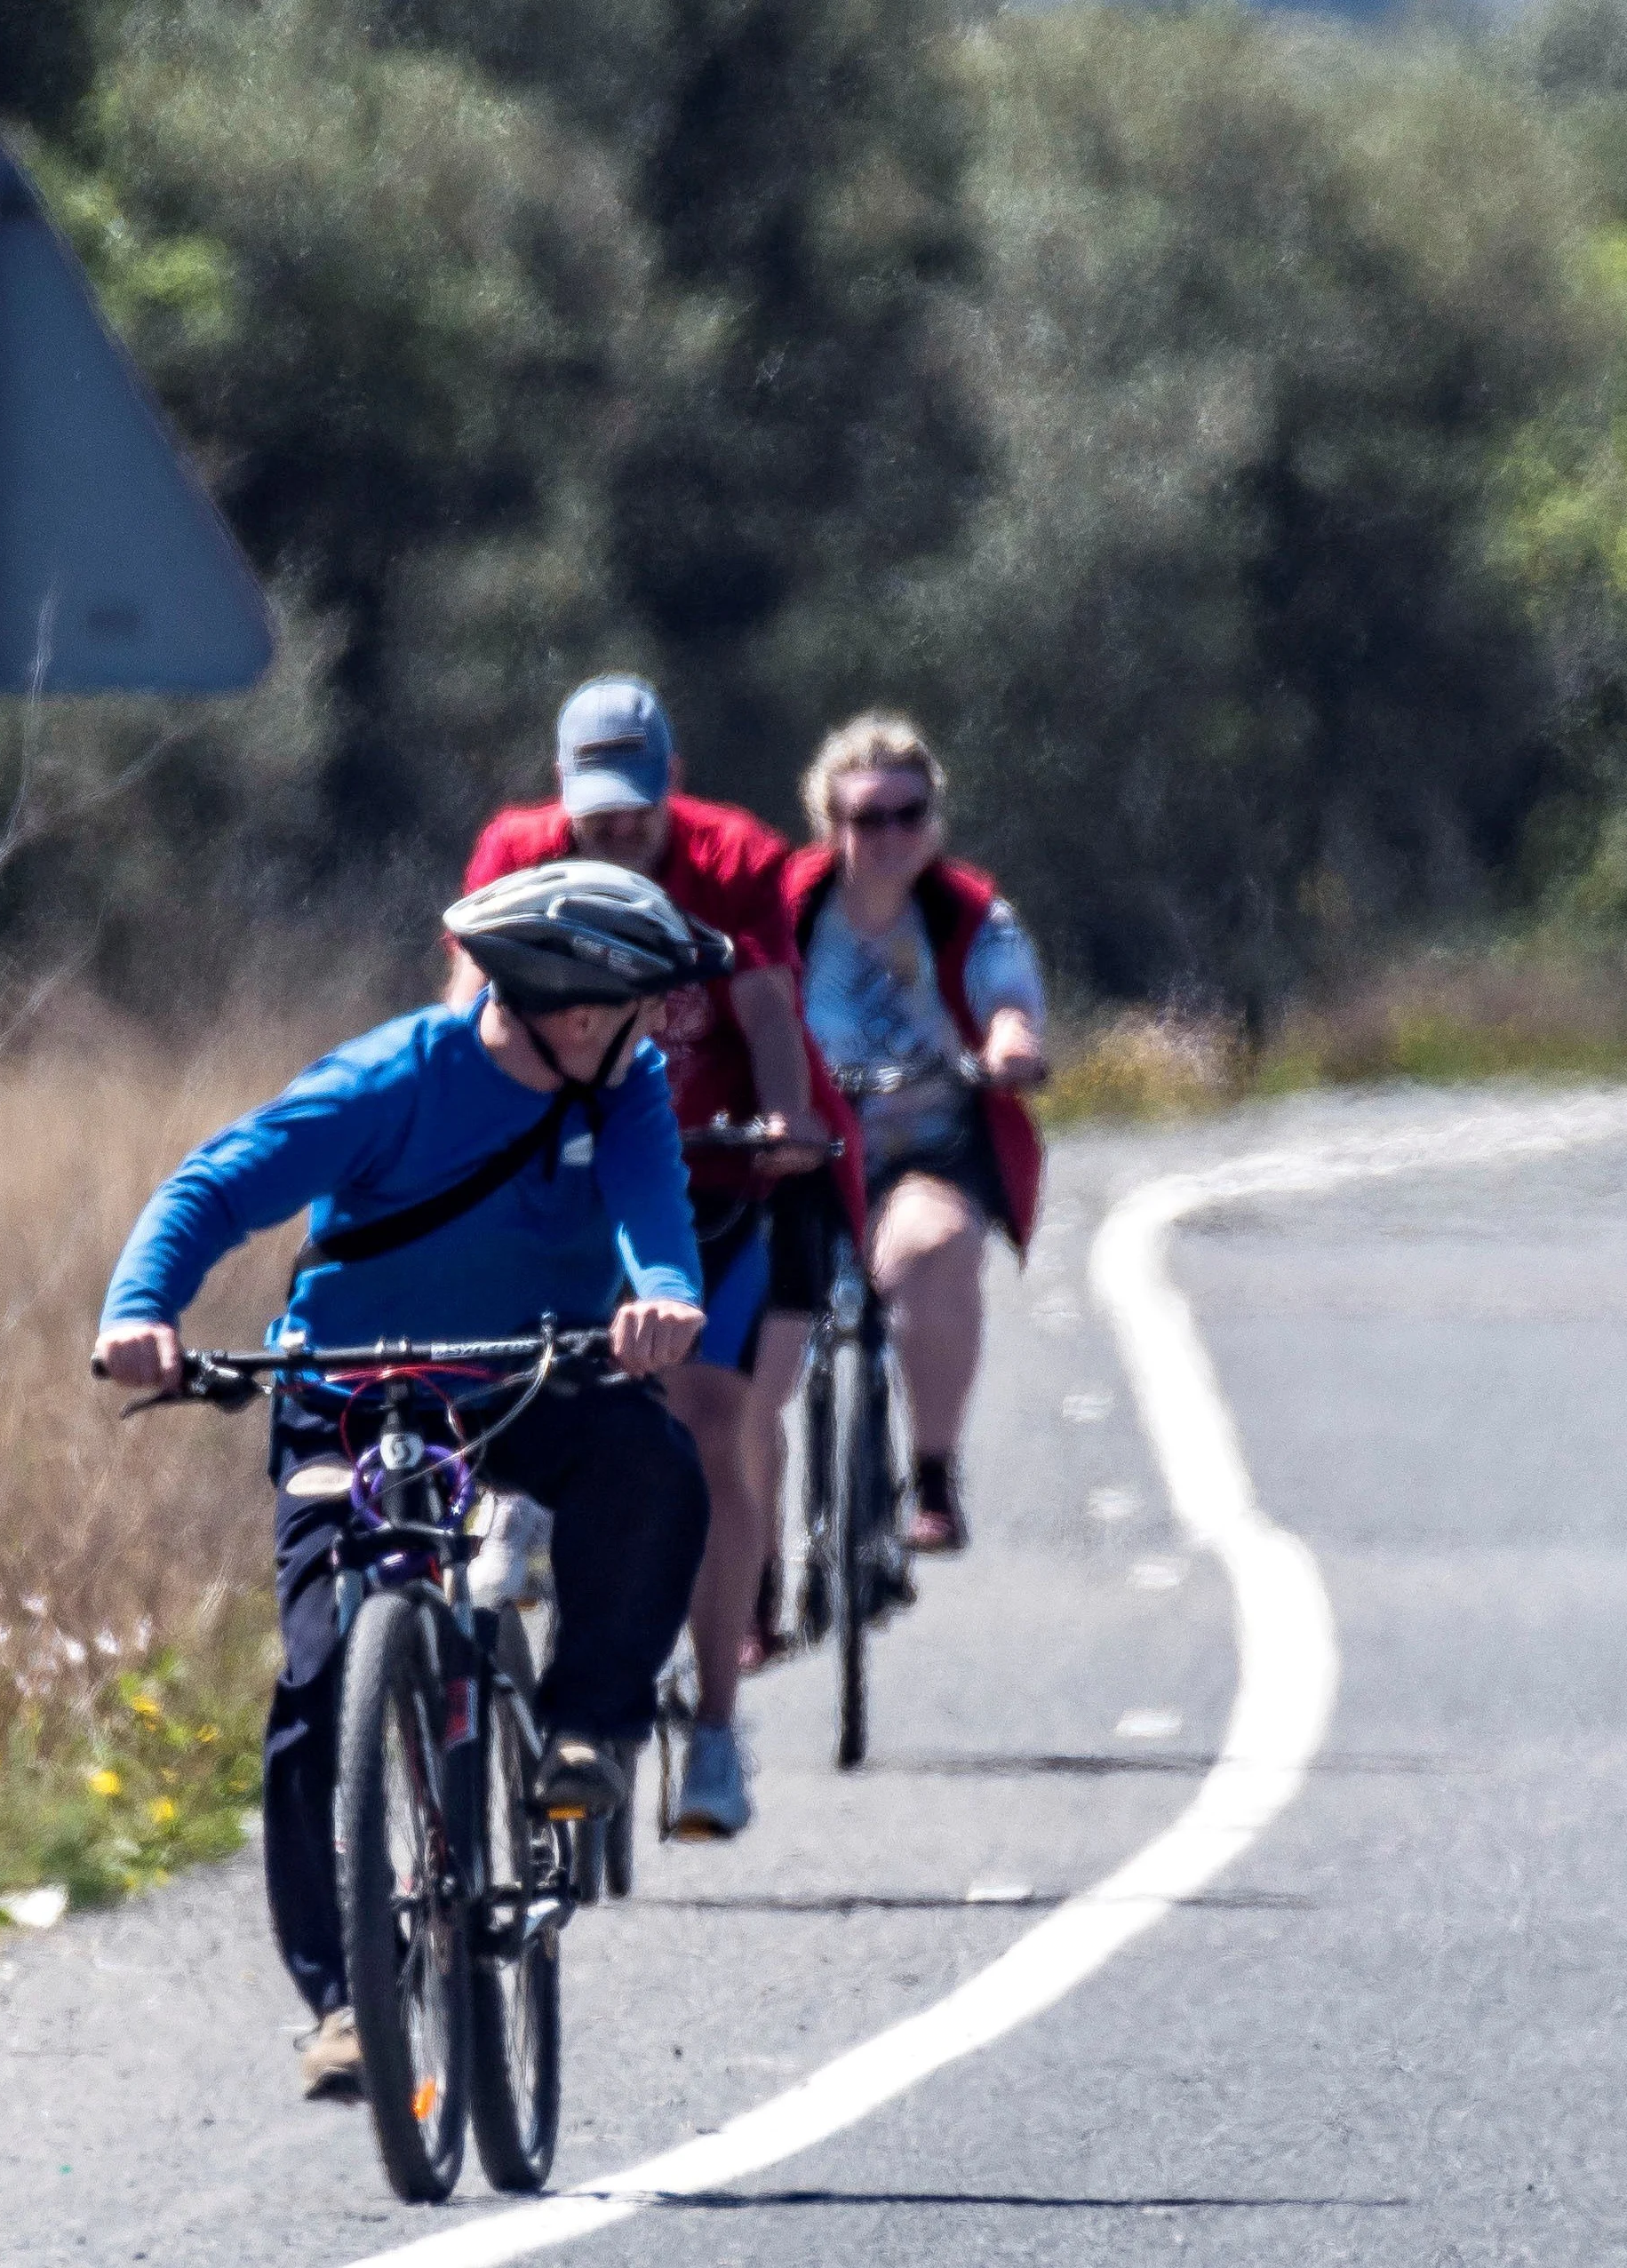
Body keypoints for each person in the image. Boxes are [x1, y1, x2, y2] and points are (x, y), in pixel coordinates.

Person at [96, 862, 727, 2103]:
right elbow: (213, 1186)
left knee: (649, 1462)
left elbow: (653, 1214)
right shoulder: (393, 1079)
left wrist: (662, 1296)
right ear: (562, 1002)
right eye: (626, 1004)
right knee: (320, 1673)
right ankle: (343, 1997)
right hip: (350, 1395)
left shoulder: (627, 1086)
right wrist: (139, 1311)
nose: (645, 1026)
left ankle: (589, 1727)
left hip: (526, 1386)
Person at [454, 675, 849, 1843]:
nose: (615, 828)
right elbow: (467, 997)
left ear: (667, 787)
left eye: (634, 806)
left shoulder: (732, 857)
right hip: (559, 1178)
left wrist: (780, 1127)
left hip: (707, 1177)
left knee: (708, 1417)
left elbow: (770, 1010)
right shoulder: (516, 849)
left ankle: (716, 1724)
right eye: (595, 806)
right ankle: (519, 1545)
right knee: (510, 1375)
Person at [787, 714, 1049, 1553]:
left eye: (910, 813)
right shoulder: (787, 908)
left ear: (934, 820)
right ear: (830, 827)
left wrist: (1010, 1044)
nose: (892, 834)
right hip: (803, 1147)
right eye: (867, 817)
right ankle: (750, 1585)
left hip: (924, 1146)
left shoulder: (966, 912)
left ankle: (932, 1472)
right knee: (735, 1355)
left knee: (934, 1245)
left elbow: (1008, 998)